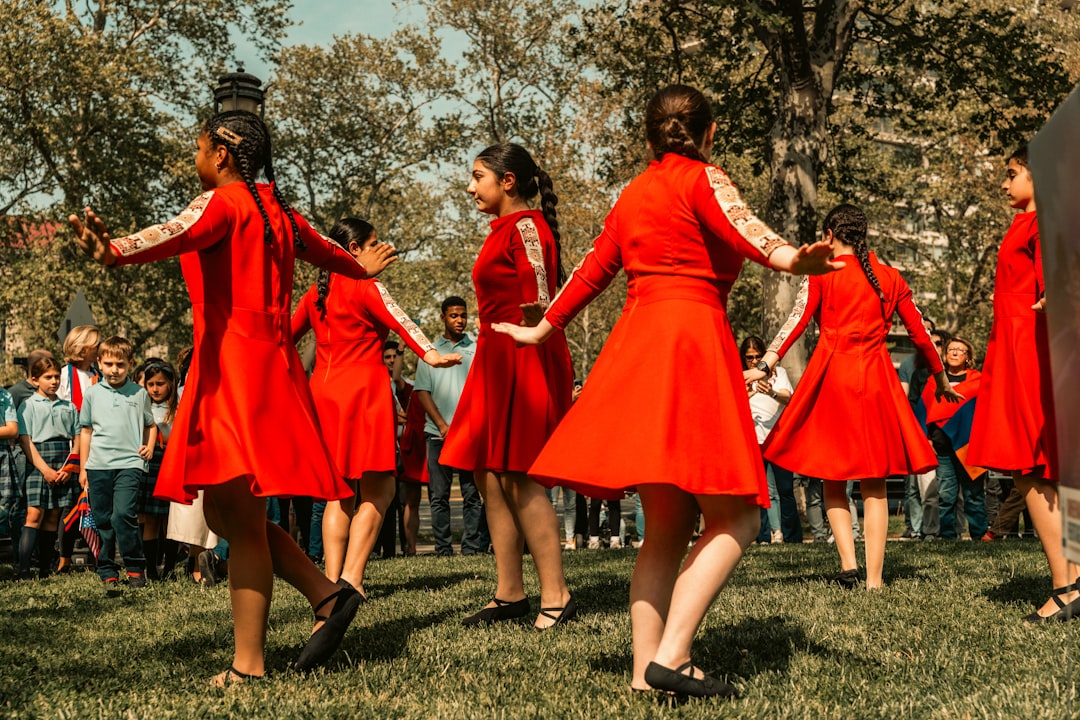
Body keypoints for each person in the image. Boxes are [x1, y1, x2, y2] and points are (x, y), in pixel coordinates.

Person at [495, 85, 839, 697]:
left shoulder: (632, 192)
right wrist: (792, 259)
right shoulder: (705, 179)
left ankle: (642, 675)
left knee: (665, 528)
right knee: (737, 516)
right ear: (709, 133)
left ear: (647, 138)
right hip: (690, 342)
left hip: (638, 345)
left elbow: (593, 267)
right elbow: (745, 227)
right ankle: (673, 658)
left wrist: (544, 326)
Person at [69, 109, 398, 683]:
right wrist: (358, 267)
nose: (193, 158)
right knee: (223, 510)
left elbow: (175, 232)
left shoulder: (223, 200)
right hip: (267, 368)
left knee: (240, 520)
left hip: (233, 372)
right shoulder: (280, 210)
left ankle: (249, 666)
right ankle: (327, 595)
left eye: (198, 147)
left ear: (221, 153)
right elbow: (329, 251)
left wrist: (114, 250)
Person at [748, 203, 962, 591]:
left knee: (833, 477)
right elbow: (920, 332)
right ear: (863, 236)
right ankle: (875, 580)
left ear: (830, 235)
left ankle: (849, 565)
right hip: (876, 379)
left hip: (832, 378)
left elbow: (795, 320)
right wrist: (941, 376)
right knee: (874, 483)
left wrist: (765, 363)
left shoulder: (821, 274)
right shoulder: (891, 277)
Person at [440, 142, 576, 630]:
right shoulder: (501, 231)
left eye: (478, 176)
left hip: (524, 357)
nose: (471, 186)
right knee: (486, 473)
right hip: (494, 361)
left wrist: (536, 363)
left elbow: (540, 302)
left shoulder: (526, 227)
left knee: (520, 475)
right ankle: (509, 593)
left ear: (508, 181)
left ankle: (556, 595)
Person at [291, 217, 459, 597]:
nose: (382, 248)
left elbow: (284, 336)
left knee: (339, 493)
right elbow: (402, 321)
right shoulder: (367, 286)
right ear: (354, 250)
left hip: (324, 394)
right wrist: (430, 354)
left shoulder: (314, 294)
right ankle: (352, 580)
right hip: (364, 392)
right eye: (374, 242)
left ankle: (332, 583)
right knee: (379, 491)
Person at [967, 145, 1079, 622]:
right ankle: (1070, 579)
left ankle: (1067, 584)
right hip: (1014, 345)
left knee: (1031, 464)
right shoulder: (1024, 223)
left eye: (1012, 173)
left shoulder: (1043, 222)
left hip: (1029, 347)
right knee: (1027, 465)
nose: (1004, 183)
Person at [78, 336, 157, 592]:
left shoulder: (140, 393)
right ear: (99, 363)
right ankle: (107, 569)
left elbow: (150, 425)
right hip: (98, 465)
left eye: (120, 364)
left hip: (130, 463)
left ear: (130, 364)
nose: (114, 369)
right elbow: (86, 432)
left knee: (123, 514)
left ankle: (135, 566)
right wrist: (83, 467)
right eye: (109, 363)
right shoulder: (92, 394)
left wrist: (150, 445)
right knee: (103, 519)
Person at [413, 296, 484, 557]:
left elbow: (481, 390)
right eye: (454, 316)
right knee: (438, 496)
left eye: (463, 315)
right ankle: (443, 549)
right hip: (437, 435)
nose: (460, 320)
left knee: (472, 496)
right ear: (443, 317)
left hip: (468, 435)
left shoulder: (476, 349)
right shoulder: (430, 352)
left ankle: (471, 548)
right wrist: (442, 425)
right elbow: (422, 392)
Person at [15, 356, 78, 579]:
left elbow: (77, 437)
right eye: (48, 377)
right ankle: (23, 569)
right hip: (38, 461)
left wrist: (68, 468)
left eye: (57, 377)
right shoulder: (28, 405)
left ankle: (44, 568)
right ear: (34, 380)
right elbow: (25, 441)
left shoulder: (68, 406)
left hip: (63, 461)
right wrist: (45, 470)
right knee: (34, 514)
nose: (53, 381)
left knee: (53, 516)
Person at [921, 337, 986, 540]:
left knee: (973, 495)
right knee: (946, 495)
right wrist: (927, 439)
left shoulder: (979, 380)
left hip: (970, 446)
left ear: (968, 357)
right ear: (945, 354)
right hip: (943, 447)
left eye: (960, 350)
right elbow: (923, 412)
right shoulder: (934, 381)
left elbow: (987, 411)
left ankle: (979, 535)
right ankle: (948, 536)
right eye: (951, 349)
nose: (955, 353)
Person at [740, 336, 799, 544]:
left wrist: (772, 392)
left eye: (758, 356)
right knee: (760, 492)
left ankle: (792, 538)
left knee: (785, 489)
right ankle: (763, 537)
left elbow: (788, 397)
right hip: (753, 439)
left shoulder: (778, 372)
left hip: (778, 437)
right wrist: (746, 394)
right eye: (749, 358)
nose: (754, 362)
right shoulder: (741, 376)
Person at [57, 326, 101, 573]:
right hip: (72, 446)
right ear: (83, 348)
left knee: (96, 502)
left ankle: (97, 556)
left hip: (97, 445)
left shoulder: (99, 375)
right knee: (71, 504)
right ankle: (64, 557)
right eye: (95, 345)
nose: (98, 349)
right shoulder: (64, 376)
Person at [140, 359, 180, 579]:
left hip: (172, 462)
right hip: (151, 461)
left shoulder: (178, 407)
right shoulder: (143, 406)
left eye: (160, 383)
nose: (155, 389)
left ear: (171, 384)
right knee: (151, 519)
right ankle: (152, 569)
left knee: (171, 518)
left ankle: (170, 567)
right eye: (151, 384)